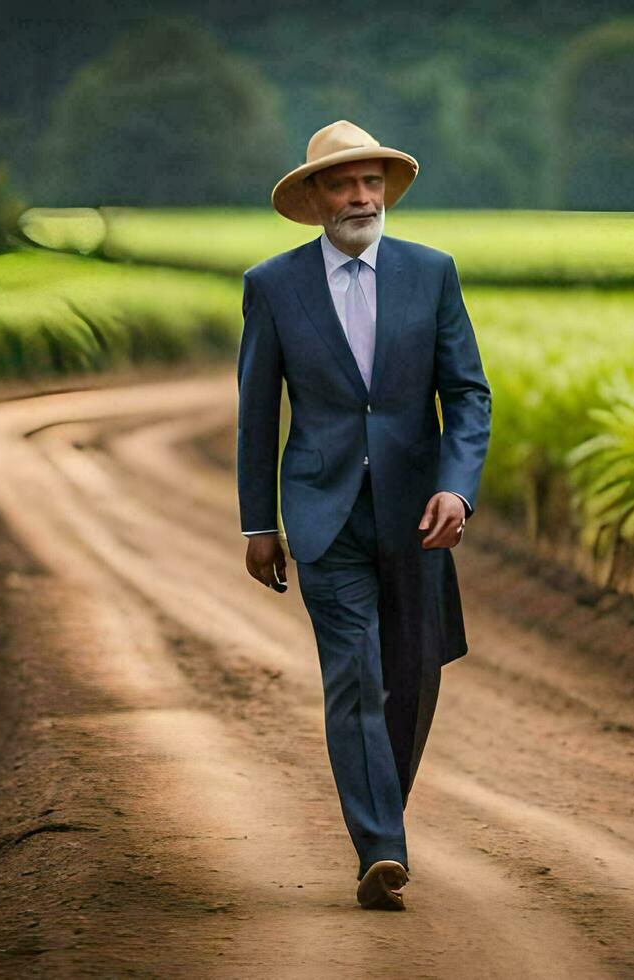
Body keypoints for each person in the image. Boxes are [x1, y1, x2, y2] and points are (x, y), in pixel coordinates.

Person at [236, 119, 492, 911]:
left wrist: (457, 486)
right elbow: (256, 410)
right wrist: (258, 523)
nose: (360, 196)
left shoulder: (432, 273)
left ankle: (383, 818)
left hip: (418, 513)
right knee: (354, 675)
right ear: (314, 199)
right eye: (344, 184)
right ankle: (381, 847)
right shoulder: (274, 286)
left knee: (411, 681)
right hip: (324, 512)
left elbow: (468, 393)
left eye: (371, 182)